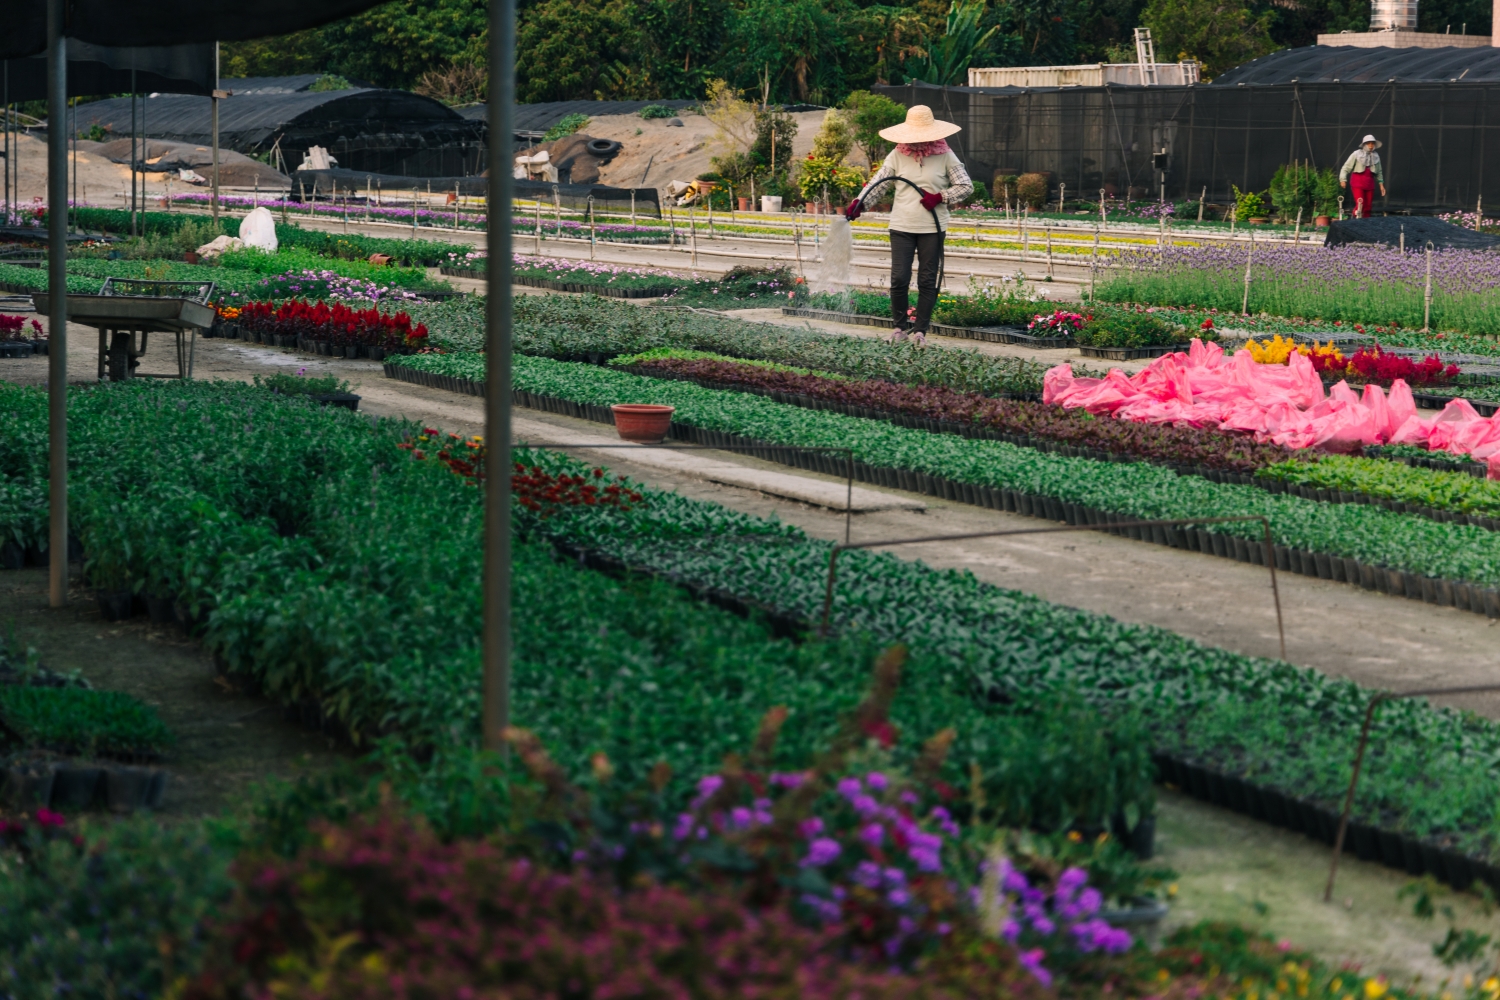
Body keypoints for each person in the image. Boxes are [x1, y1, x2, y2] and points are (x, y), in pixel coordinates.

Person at [844, 105, 973, 344]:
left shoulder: (945, 155)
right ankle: (899, 329)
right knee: (899, 278)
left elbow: (966, 186)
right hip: (902, 225)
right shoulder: (897, 155)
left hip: (932, 229)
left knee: (927, 279)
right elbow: (880, 183)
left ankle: (921, 331)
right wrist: (860, 203)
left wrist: (940, 197)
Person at [1340, 134, 1386, 219]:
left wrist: (1381, 184)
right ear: (1364, 144)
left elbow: (1379, 171)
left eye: (1372, 143)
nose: (1371, 145)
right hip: (1358, 182)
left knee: (1368, 206)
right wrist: (1343, 179)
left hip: (1369, 184)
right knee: (1360, 203)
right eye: (1368, 143)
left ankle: (1366, 225)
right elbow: (1346, 167)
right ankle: (1355, 220)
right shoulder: (1356, 154)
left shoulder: (1376, 156)